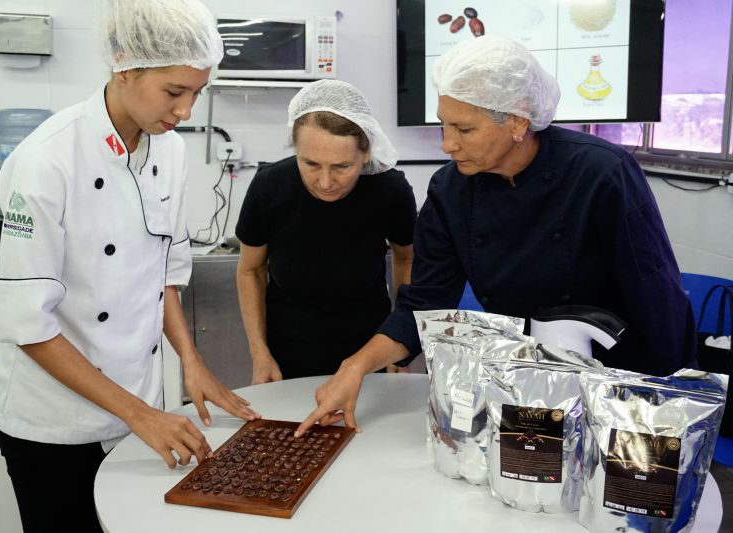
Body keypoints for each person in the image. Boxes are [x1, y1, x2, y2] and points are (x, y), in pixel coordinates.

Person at [296, 36, 696, 436]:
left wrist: (656, 410)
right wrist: (356, 366)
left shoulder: (601, 173)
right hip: (528, 377)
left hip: (617, 376)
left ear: (518, 122)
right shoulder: (451, 191)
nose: (447, 143)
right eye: (444, 124)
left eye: (464, 129)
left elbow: (656, 300)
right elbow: (424, 304)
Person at [0, 1, 259, 530]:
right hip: (55, 426)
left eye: (197, 93)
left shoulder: (171, 152)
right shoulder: (45, 160)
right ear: (125, 66)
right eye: (174, 92)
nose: (185, 111)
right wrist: (137, 413)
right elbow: (27, 323)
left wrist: (192, 363)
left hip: (141, 413)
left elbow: (164, 275)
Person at [235, 80, 417, 383]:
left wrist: (401, 343)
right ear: (295, 148)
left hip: (370, 350)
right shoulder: (270, 186)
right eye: (310, 164)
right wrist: (259, 352)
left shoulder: (390, 190)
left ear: (367, 152)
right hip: (287, 354)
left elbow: (406, 260)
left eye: (342, 166)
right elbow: (250, 271)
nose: (325, 182)